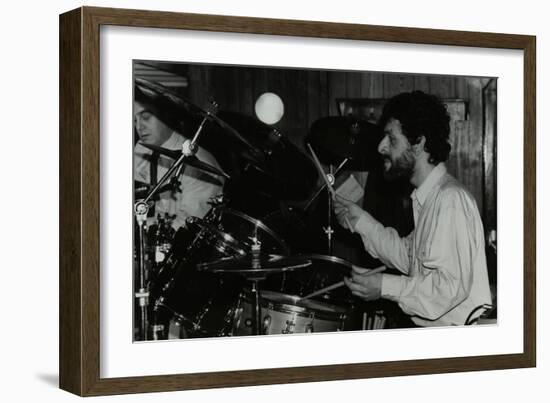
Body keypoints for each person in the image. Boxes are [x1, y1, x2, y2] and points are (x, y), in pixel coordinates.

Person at [334, 91, 492, 327]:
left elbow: (447, 289)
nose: (381, 147)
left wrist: (384, 286)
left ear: (419, 143)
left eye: (391, 138)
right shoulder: (429, 198)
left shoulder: (450, 200)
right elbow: (409, 258)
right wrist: (361, 221)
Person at [133, 85, 224, 230]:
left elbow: (186, 226)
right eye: (135, 120)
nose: (139, 127)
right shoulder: (140, 150)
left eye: (145, 117)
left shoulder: (202, 166)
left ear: (166, 115)